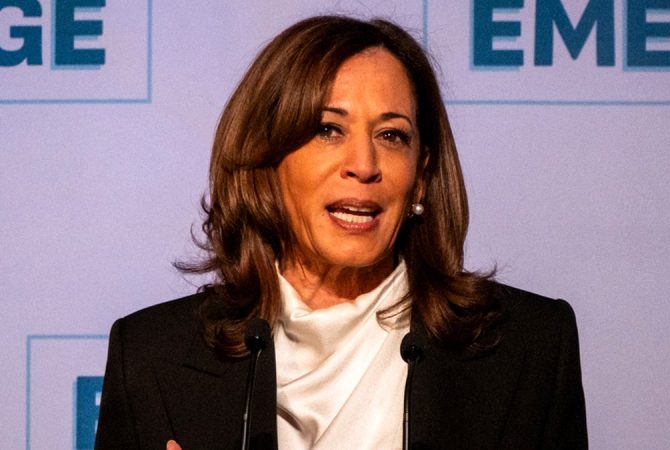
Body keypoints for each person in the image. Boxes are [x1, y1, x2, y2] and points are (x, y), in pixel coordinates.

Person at [95, 15, 587, 450]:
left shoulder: (530, 349)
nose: (364, 165)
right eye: (329, 130)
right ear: (268, 160)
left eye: (391, 135)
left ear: (421, 174)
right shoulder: (150, 357)